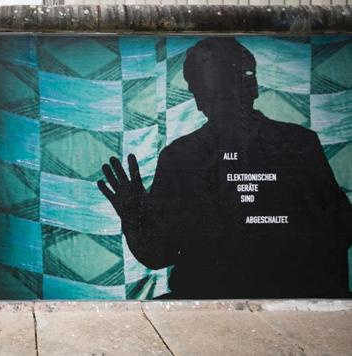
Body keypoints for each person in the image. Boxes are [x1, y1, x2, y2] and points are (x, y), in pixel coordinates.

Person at [98, 37, 352, 299]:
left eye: (226, 83)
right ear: (197, 97)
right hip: (204, 302)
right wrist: (135, 218)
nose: (218, 96)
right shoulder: (179, 158)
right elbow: (158, 254)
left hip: (289, 298)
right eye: (207, 88)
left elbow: (339, 232)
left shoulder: (298, 144)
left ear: (251, 86)